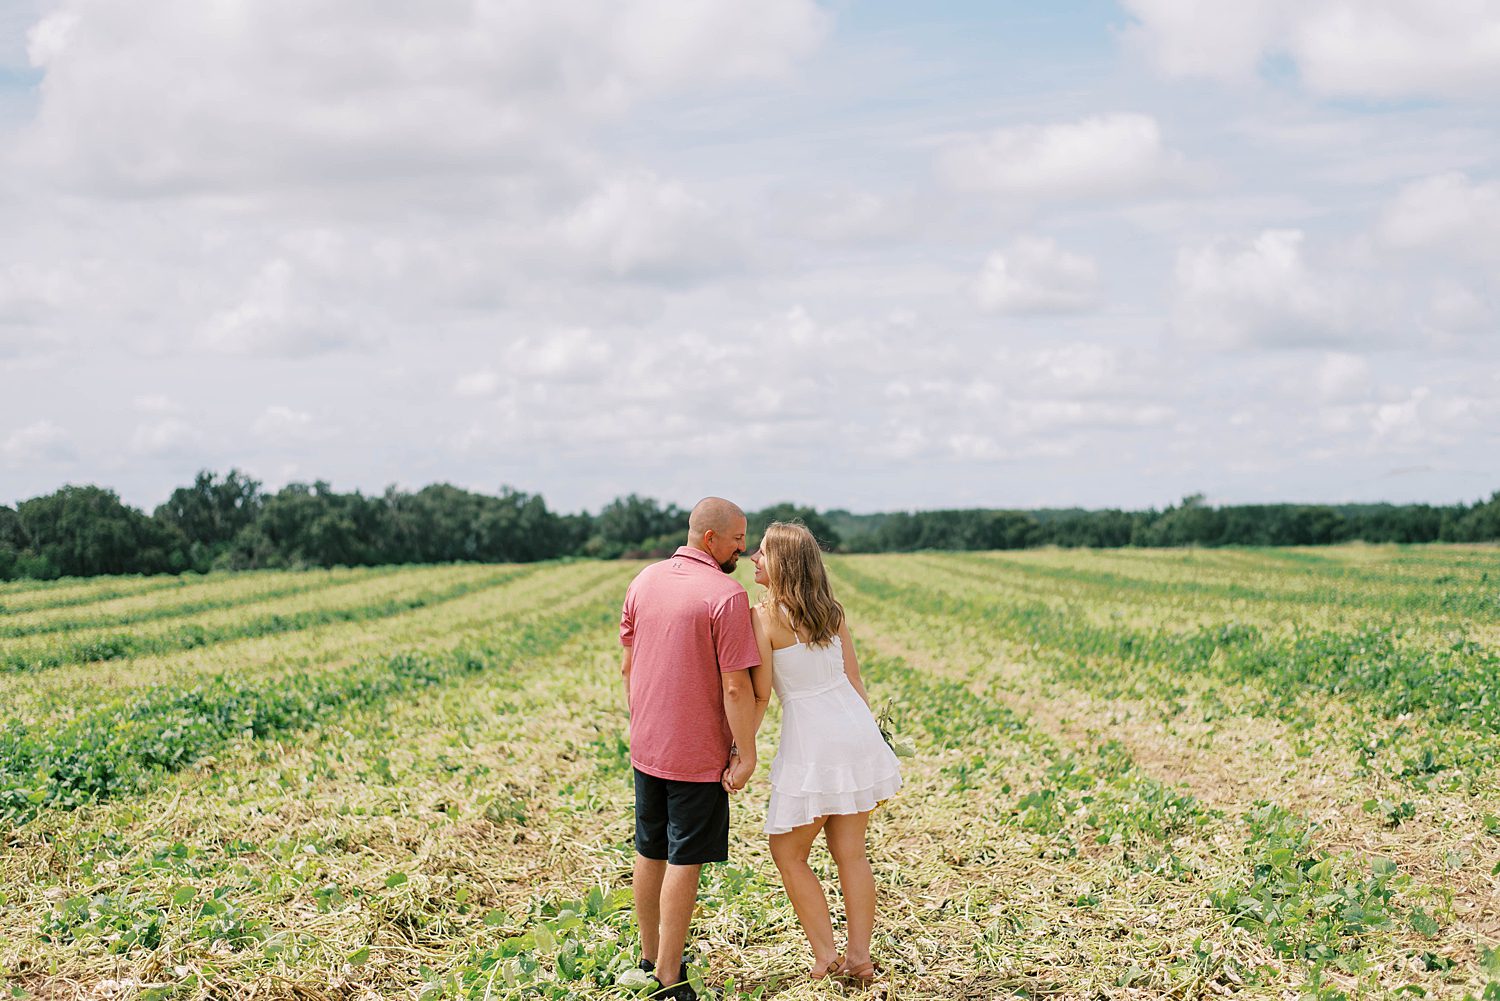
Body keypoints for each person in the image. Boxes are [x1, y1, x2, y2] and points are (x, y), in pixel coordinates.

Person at [745, 521, 902, 982]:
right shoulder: (831, 612)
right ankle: (859, 958)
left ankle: (824, 956)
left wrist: (741, 749)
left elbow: (758, 697)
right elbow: (855, 683)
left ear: (784, 564)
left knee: (786, 851)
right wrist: (872, 741)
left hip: (813, 741)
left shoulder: (762, 618)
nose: (754, 557)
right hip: (853, 731)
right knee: (850, 853)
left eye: (763, 552)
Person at [619, 497, 760, 1001]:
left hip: (647, 744)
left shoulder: (643, 581)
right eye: (739, 538)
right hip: (696, 751)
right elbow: (737, 688)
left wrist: (643, 724)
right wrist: (747, 753)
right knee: (685, 858)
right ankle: (668, 977)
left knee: (649, 847)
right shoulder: (725, 595)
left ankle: (649, 954)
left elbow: (627, 668)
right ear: (711, 540)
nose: (744, 547)